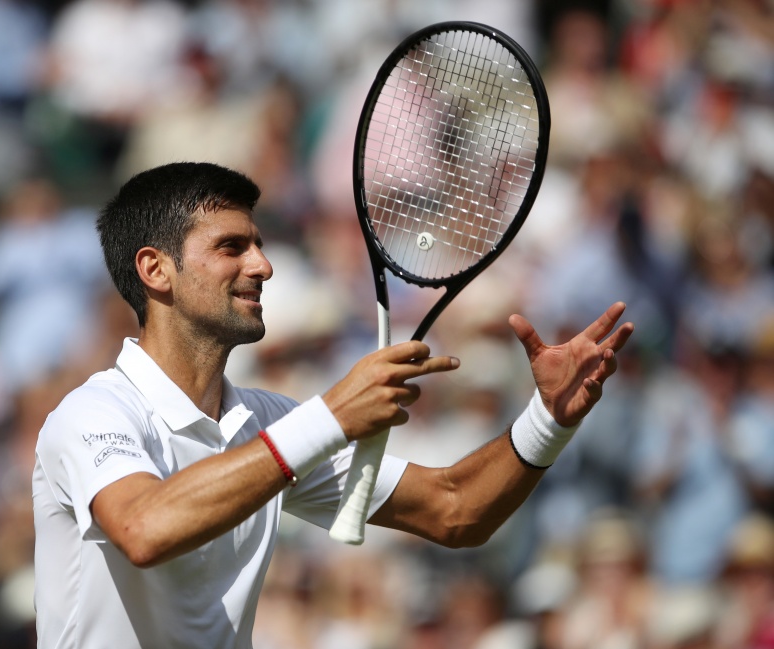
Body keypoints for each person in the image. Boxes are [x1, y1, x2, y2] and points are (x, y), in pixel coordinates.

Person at [32, 161, 634, 649]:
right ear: (155, 270)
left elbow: (456, 509)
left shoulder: (269, 424)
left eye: (259, 245)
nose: (263, 266)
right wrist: (330, 417)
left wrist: (548, 418)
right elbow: (145, 529)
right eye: (231, 247)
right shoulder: (91, 414)